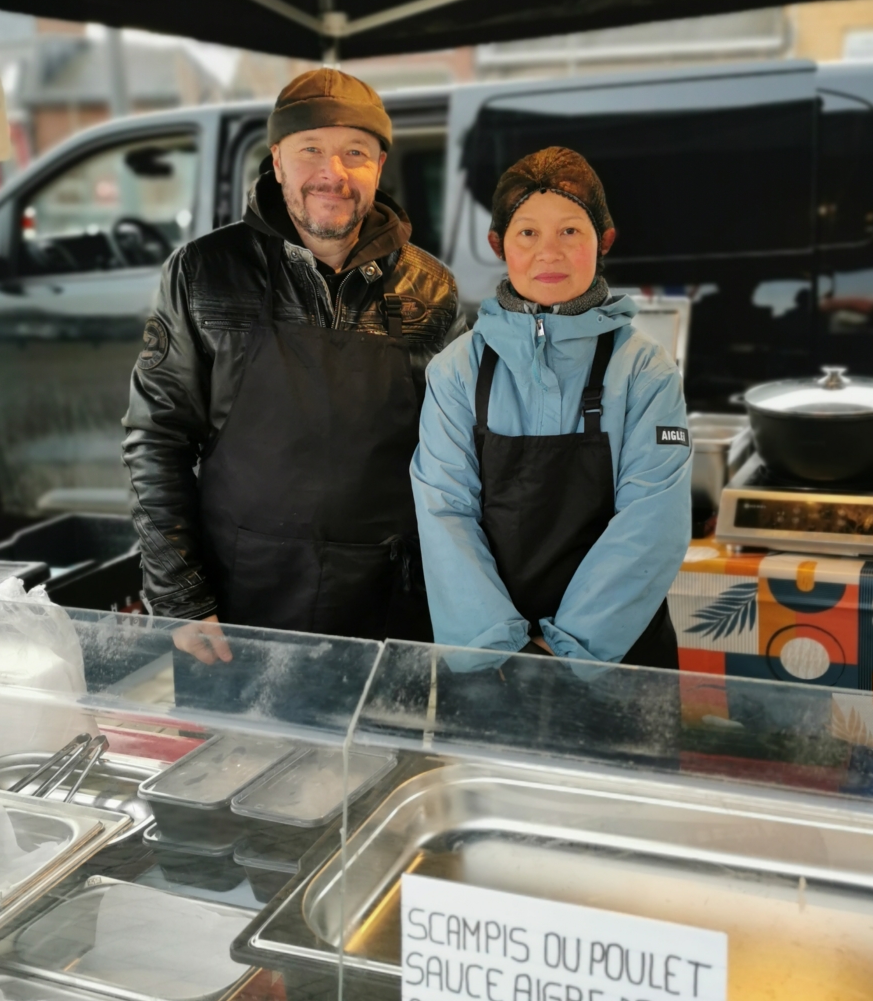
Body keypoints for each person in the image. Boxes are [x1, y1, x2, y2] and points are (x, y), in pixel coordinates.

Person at [122, 68, 463, 662]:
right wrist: (179, 594)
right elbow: (157, 438)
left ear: (379, 166)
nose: (332, 173)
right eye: (311, 150)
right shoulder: (203, 274)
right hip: (235, 607)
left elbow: (458, 460)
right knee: (238, 759)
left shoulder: (431, 290)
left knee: (387, 758)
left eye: (354, 152)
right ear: (277, 160)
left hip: (389, 606)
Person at [410, 147, 691, 667]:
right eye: (527, 233)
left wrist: (572, 648)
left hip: (616, 657)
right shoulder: (455, 372)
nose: (549, 252)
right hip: (491, 659)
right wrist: (501, 646)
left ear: (602, 241)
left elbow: (652, 522)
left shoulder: (645, 371)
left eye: (570, 231)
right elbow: (444, 512)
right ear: (499, 245)